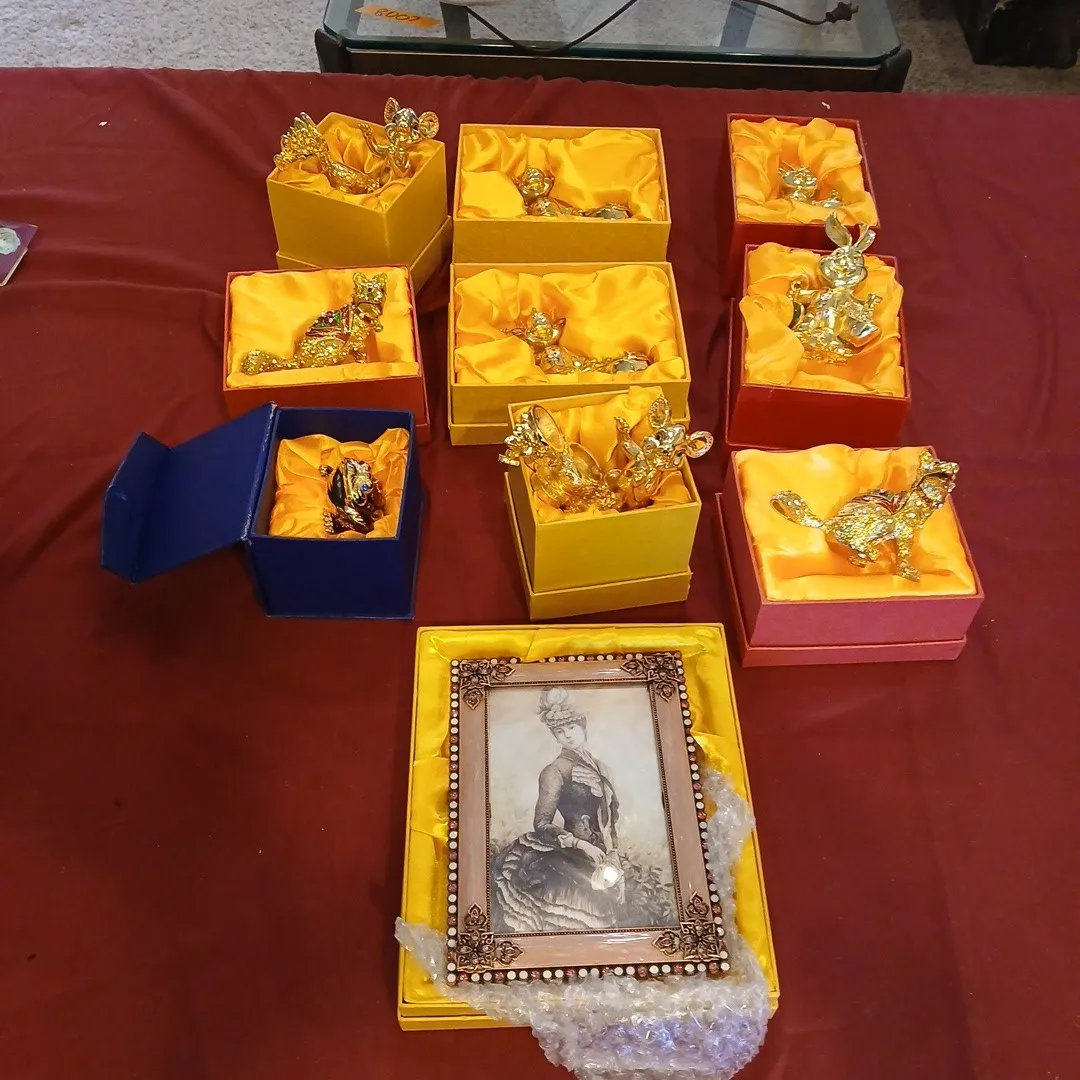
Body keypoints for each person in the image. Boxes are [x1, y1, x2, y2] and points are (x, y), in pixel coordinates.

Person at [491, 686, 624, 933]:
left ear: (582, 726)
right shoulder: (554, 771)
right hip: (568, 856)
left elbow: (610, 821)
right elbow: (542, 824)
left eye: (571, 727)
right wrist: (581, 845)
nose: (568, 736)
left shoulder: (603, 769)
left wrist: (614, 854)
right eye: (560, 732)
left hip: (601, 857)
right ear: (555, 737)